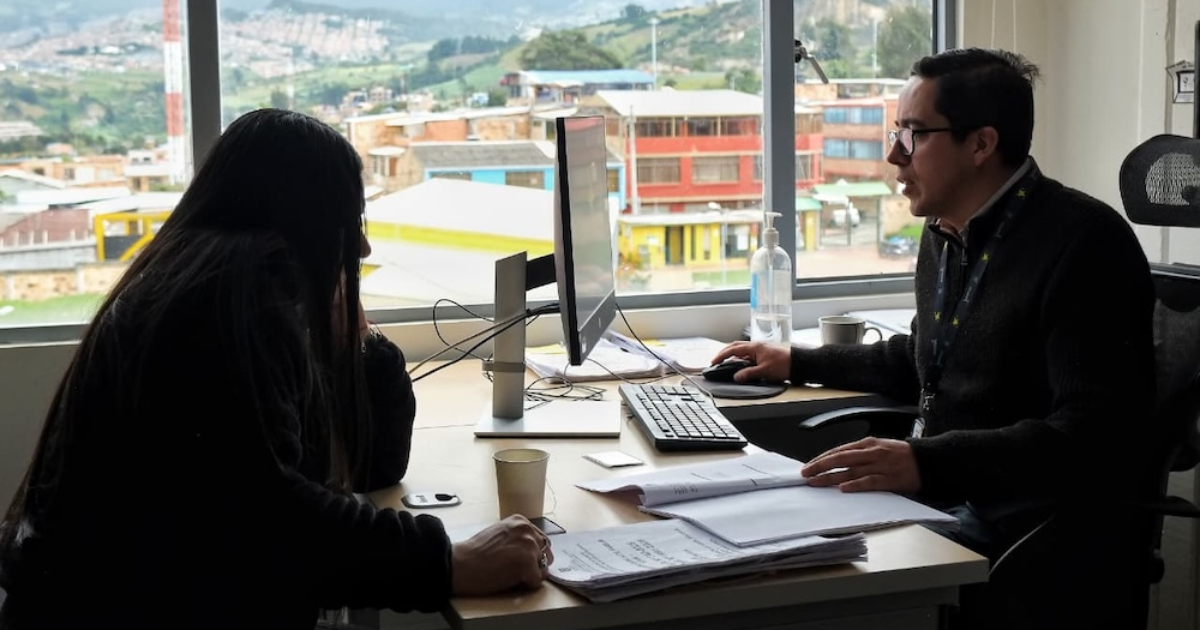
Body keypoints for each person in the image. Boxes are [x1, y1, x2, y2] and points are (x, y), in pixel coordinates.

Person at [0, 109, 553, 629]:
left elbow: (373, 465)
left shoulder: (224, 285)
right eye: (348, 220)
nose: (360, 246)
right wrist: (449, 561)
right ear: (303, 218)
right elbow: (270, 521)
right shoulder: (228, 301)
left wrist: (358, 345)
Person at [714, 49, 1156, 627]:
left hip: (1019, 515)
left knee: (802, 597)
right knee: (758, 549)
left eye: (915, 134)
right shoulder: (946, 230)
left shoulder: (1085, 244)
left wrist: (927, 461)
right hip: (948, 493)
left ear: (981, 145)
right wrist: (794, 360)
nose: (894, 154)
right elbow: (924, 359)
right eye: (897, 131)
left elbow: (1092, 435)